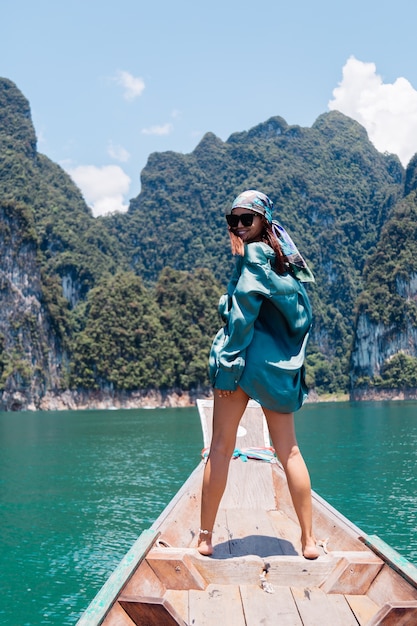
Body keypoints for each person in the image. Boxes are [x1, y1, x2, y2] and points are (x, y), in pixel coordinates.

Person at [198, 189, 320, 560]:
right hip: (275, 370)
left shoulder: (252, 254)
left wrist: (227, 361)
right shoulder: (282, 259)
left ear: (263, 221)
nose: (237, 226)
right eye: (231, 219)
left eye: (245, 219)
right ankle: (309, 540)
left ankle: (205, 537)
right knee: (290, 451)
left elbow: (245, 311)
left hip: (242, 365)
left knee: (220, 448)